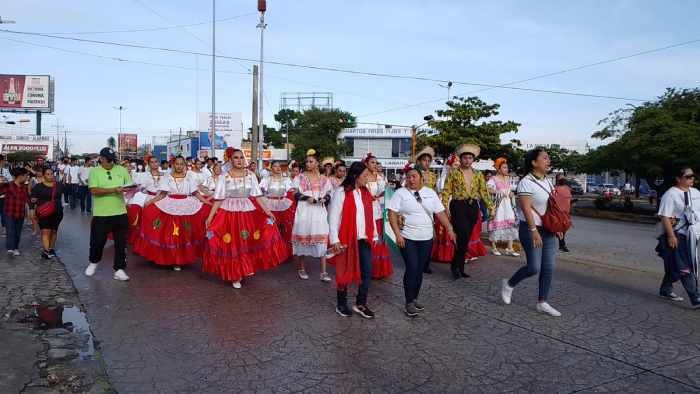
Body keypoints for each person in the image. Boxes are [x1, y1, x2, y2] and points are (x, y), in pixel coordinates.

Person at [202, 149, 290, 288]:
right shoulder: (224, 177)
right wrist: (211, 216)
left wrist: (268, 212)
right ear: (230, 160)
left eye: (241, 158)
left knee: (247, 240)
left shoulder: (251, 175)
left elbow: (257, 196)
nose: (239, 160)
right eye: (236, 158)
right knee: (233, 243)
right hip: (229, 212)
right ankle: (235, 274)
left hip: (248, 211)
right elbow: (218, 198)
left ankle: (245, 267)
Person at [500, 147, 562, 317]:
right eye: (545, 158)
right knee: (534, 267)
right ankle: (509, 284)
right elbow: (526, 209)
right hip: (530, 228)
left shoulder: (548, 181)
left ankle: (542, 302)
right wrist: (534, 230)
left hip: (548, 229)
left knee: (548, 267)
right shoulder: (526, 182)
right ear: (534, 162)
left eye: (548, 158)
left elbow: (552, 207)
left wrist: (559, 227)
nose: (548, 161)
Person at [387, 164, 455, 317]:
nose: (411, 180)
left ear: (421, 178)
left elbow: (440, 213)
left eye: (414, 177)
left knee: (419, 270)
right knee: (412, 267)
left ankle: (415, 297)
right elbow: (391, 214)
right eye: (408, 177)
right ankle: (408, 302)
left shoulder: (430, 193)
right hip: (407, 237)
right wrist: (397, 234)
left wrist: (450, 228)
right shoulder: (400, 193)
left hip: (426, 238)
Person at [133, 156, 210, 271]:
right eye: (177, 164)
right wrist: (150, 202)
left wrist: (207, 202)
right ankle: (173, 259)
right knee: (172, 233)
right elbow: (162, 194)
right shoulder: (167, 177)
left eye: (181, 164)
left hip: (186, 206)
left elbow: (196, 193)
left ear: (185, 165)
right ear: (173, 165)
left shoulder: (189, 178)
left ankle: (181, 258)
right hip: (169, 205)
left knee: (184, 233)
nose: (179, 166)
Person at [328, 161, 378, 318]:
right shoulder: (341, 192)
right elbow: (333, 218)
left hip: (364, 238)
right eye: (365, 175)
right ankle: (341, 304)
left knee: (367, 273)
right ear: (356, 176)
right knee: (344, 272)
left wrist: (374, 233)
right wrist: (334, 240)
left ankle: (360, 304)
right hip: (345, 240)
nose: (367, 178)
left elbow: (371, 214)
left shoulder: (364, 192)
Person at [440, 144, 493, 279]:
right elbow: (446, 191)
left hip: (472, 206)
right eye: (465, 158)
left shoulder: (478, 174)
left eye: (470, 158)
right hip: (458, 205)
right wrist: (444, 207)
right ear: (461, 158)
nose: (467, 160)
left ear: (473, 160)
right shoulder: (454, 172)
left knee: (466, 239)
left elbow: (484, 192)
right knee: (462, 236)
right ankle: (455, 266)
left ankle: (459, 267)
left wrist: (491, 207)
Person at [84, 148, 133, 281]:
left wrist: (130, 191)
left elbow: (129, 186)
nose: (111, 163)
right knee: (98, 241)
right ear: (102, 158)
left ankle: (119, 269)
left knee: (121, 243)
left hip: (120, 212)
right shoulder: (95, 172)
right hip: (102, 214)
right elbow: (94, 190)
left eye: (112, 160)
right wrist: (113, 190)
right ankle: (93, 262)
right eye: (108, 160)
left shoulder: (121, 170)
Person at [656, 166, 700, 307]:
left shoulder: (695, 192)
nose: (692, 179)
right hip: (677, 235)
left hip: (693, 236)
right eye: (688, 176)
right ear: (678, 178)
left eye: (692, 176)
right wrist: (670, 236)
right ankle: (696, 298)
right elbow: (665, 216)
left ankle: (665, 289)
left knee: (676, 265)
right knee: (684, 267)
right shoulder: (671, 194)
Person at [291, 149, 333, 282]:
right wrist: (305, 198)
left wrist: (324, 199)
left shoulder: (324, 179)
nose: (308, 164)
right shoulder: (300, 177)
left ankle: (324, 272)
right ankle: (301, 268)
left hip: (319, 212)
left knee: (321, 238)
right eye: (307, 161)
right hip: (305, 210)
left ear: (317, 163)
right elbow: (294, 193)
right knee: (303, 236)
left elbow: (329, 194)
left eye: (311, 161)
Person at [364, 153, 393, 279]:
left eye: (376, 162)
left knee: (378, 239)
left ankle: (378, 269)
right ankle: (365, 268)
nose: (374, 165)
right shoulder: (362, 177)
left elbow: (384, 192)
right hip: (364, 211)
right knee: (366, 239)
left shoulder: (379, 178)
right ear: (366, 164)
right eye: (372, 162)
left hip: (376, 211)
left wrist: (382, 193)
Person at [125, 156, 163, 245]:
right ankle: (146, 240)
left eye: (156, 161)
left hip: (162, 198)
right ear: (148, 164)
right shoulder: (144, 175)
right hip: (148, 198)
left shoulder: (165, 175)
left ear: (158, 163)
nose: (154, 164)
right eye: (152, 162)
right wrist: (129, 198)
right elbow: (137, 188)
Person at [259, 161, 296, 253]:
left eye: (279, 166)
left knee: (284, 228)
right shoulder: (266, 180)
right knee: (271, 227)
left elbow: (291, 191)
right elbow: (260, 192)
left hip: (283, 205)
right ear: (271, 168)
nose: (278, 168)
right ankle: (271, 251)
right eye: (275, 166)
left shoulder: (286, 179)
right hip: (270, 205)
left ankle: (285, 251)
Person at [487, 158, 519, 256]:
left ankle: (510, 248)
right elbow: (487, 189)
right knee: (495, 224)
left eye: (507, 168)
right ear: (499, 169)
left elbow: (511, 191)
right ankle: (494, 247)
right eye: (504, 167)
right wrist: (499, 192)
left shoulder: (508, 178)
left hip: (508, 205)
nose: (506, 169)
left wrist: (511, 194)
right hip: (498, 205)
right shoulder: (493, 179)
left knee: (510, 222)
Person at [31, 167, 64, 259]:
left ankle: (51, 248)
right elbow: (33, 199)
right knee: (45, 231)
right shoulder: (38, 187)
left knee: (53, 231)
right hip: (43, 213)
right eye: (48, 174)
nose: (50, 176)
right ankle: (46, 251)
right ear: (43, 175)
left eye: (51, 174)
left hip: (57, 212)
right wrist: (34, 211)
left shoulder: (59, 185)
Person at [1, 168, 30, 256]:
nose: (27, 178)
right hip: (9, 213)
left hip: (20, 214)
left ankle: (16, 247)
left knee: (17, 232)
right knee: (10, 231)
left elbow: (27, 199)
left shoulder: (24, 187)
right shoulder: (8, 185)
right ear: (20, 177)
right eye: (26, 176)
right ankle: (10, 248)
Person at [554, 173, 573, 253]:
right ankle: (561, 245)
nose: (562, 180)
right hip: (556, 212)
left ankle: (562, 245)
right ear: (557, 180)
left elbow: (568, 199)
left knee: (563, 229)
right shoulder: (554, 188)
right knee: (555, 228)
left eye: (563, 178)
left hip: (565, 212)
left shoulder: (567, 188)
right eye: (561, 178)